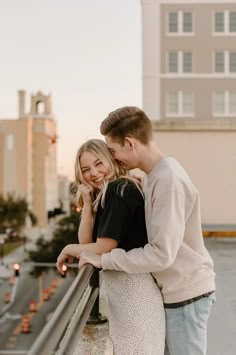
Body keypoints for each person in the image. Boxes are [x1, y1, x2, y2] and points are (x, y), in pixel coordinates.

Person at [78, 107, 216, 355]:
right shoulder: (153, 176)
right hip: (176, 291)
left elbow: (161, 254)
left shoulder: (168, 181)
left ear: (129, 143)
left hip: (186, 294)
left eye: (112, 151)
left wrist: (104, 259)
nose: (114, 158)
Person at [57, 139, 165, 355]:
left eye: (99, 164)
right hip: (127, 295)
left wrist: (67, 249)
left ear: (110, 160)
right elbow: (86, 244)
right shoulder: (109, 195)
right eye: (86, 169)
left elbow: (103, 247)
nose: (94, 173)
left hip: (135, 295)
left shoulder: (120, 189)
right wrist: (87, 203)